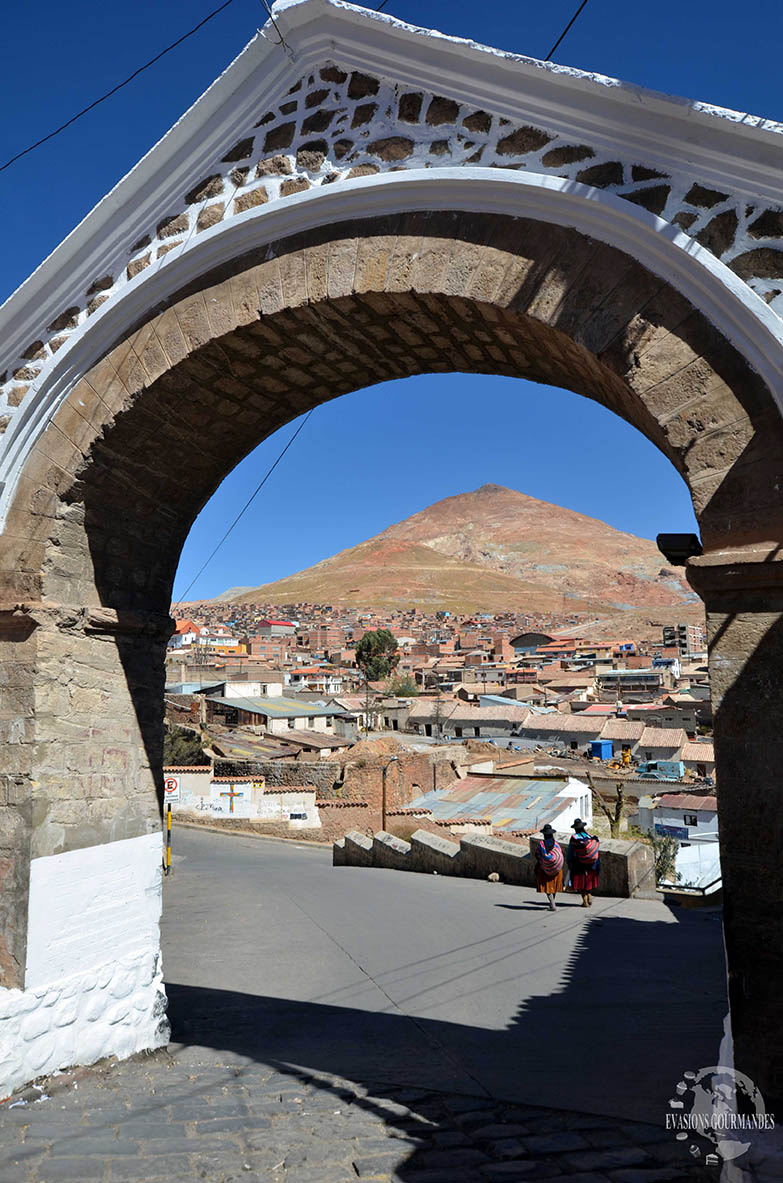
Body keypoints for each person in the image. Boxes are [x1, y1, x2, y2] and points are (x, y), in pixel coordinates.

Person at [567, 819, 600, 907]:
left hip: (578, 863)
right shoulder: (590, 836)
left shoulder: (574, 838)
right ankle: (589, 895)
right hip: (591, 864)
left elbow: (570, 852)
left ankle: (585, 900)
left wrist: (569, 862)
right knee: (588, 881)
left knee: (581, 882)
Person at [534, 823, 564, 911]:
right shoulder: (556, 844)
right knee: (554, 886)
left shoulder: (541, 844)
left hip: (545, 870)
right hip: (557, 869)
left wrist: (544, 862)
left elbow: (537, 855)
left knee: (547, 886)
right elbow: (560, 854)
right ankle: (552, 903)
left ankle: (552, 904)